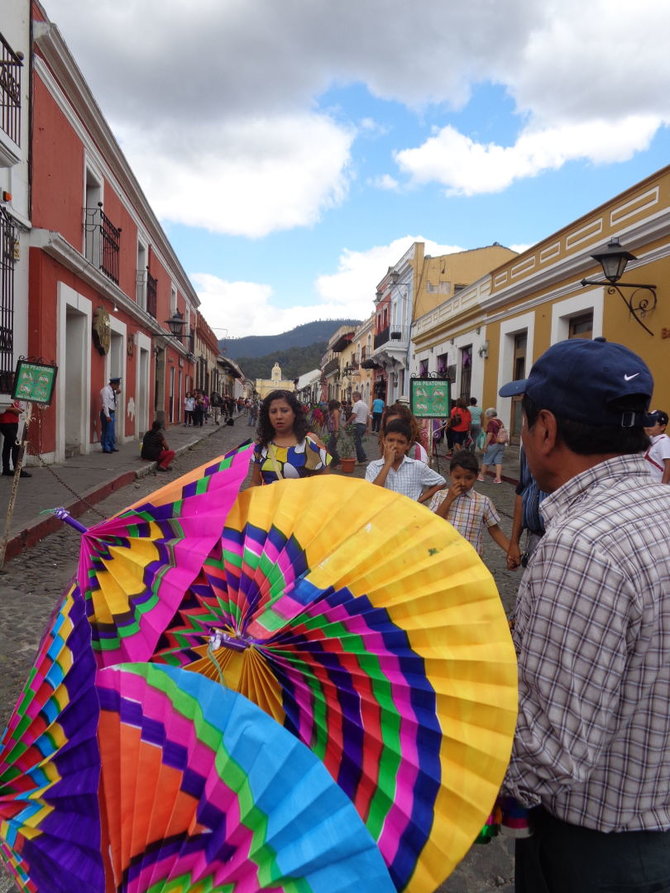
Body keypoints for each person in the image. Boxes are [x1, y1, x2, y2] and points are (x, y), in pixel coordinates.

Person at [497, 337, 670, 892]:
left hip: (600, 856)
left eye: (524, 423)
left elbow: (545, 752)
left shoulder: (580, 546)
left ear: (545, 430)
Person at [429, 452, 509, 556]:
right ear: (450, 474)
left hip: (470, 560)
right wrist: (448, 499)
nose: (462, 483)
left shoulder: (483, 501)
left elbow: (494, 530)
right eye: (457, 477)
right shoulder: (440, 496)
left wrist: (511, 551)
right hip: (443, 556)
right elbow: (433, 524)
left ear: (476, 476)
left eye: (468, 478)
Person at [250, 389, 331, 486]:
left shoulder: (310, 442)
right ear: (267, 415)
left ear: (295, 413)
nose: (278, 416)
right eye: (273, 411)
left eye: (284, 411)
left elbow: (325, 482)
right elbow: (255, 481)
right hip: (268, 501)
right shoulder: (262, 445)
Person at [366, 419, 445, 502]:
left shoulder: (417, 466)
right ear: (384, 441)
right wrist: (388, 464)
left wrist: (418, 501)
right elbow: (372, 493)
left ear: (408, 445)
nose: (395, 445)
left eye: (401, 442)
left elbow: (441, 482)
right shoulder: (374, 467)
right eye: (390, 440)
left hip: (409, 514)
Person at [505, 446, 548, 570]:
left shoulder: (571, 445)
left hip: (561, 541)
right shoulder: (530, 445)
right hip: (533, 538)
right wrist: (514, 542)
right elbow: (523, 490)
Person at [0, 399, 30, 478]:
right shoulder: (5, 390)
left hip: (14, 422)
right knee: (16, 445)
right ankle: (18, 470)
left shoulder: (16, 395)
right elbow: (3, 406)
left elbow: (17, 408)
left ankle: (6, 469)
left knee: (7, 446)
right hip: (5, 422)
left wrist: (18, 410)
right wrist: (14, 410)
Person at [643, 409, 670, 483]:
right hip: (648, 484)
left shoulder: (664, 442)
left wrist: (663, 487)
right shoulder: (650, 439)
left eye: (652, 423)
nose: (648, 426)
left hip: (657, 486)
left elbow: (668, 466)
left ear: (662, 427)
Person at [479, 408, 505, 483]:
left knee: (486, 460)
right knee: (498, 462)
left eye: (486, 415)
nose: (486, 416)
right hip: (501, 443)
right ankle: (498, 478)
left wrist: (485, 445)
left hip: (493, 443)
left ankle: (481, 476)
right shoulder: (500, 421)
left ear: (489, 415)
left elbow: (490, 434)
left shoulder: (491, 422)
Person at [347, 391, 370, 464]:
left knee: (357, 443)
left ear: (357, 397)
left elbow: (354, 415)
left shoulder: (357, 404)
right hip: (363, 425)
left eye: (353, 397)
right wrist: (367, 427)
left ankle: (361, 458)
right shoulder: (365, 405)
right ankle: (363, 456)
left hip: (358, 425)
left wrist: (347, 423)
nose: (353, 399)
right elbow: (368, 417)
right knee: (359, 442)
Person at [100, 376, 120, 453]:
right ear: (113, 384)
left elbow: (113, 401)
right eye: (117, 385)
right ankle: (106, 447)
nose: (118, 387)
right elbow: (105, 404)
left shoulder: (112, 391)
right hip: (107, 413)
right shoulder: (106, 390)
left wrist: (116, 394)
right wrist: (107, 416)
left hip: (112, 412)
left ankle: (111, 445)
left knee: (111, 431)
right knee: (106, 431)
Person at [325, 399, 341, 468]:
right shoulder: (332, 411)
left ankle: (338, 461)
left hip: (334, 431)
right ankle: (334, 464)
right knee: (333, 447)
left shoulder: (335, 411)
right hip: (331, 431)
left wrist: (337, 431)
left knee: (330, 447)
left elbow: (337, 422)